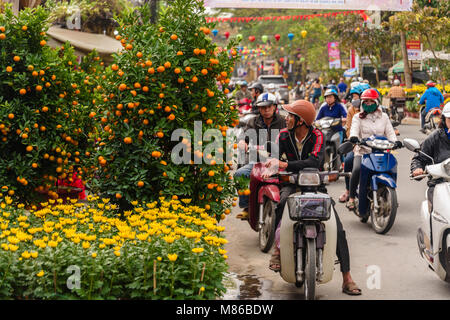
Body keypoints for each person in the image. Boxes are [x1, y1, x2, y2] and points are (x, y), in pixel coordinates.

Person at [263, 100, 362, 296]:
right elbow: (273, 157)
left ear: (301, 121)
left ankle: (347, 277)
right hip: (290, 184)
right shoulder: (283, 135)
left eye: (291, 116)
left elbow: (314, 161)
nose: (287, 118)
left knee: (337, 227)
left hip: (315, 184)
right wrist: (272, 166)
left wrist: (284, 165)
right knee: (281, 204)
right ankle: (277, 249)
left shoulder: (317, 135)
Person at [234, 92, 286, 220]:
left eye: (269, 107)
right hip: (258, 161)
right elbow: (243, 136)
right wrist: (242, 142)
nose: (266, 110)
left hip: (279, 162)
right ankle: (247, 207)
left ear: (274, 107)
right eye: (263, 107)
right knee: (239, 174)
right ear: (258, 108)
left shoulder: (284, 122)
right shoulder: (253, 121)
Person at [346, 88, 400, 211]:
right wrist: (354, 137)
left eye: (371, 101)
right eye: (366, 101)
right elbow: (354, 130)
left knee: (392, 166)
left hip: (381, 151)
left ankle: (390, 195)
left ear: (377, 102)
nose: (368, 103)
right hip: (363, 151)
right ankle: (352, 198)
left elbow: (390, 133)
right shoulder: (357, 117)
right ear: (362, 103)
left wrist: (395, 141)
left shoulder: (384, 116)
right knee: (357, 169)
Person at [411, 102, 450, 212]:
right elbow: (420, 157)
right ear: (444, 120)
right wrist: (417, 169)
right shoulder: (435, 137)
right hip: (440, 184)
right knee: (437, 212)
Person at [339, 87, 362, 203]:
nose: (354, 98)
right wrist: (353, 140)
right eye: (353, 96)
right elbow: (349, 129)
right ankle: (348, 191)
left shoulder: (379, 112)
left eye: (356, 95)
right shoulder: (352, 111)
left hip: (375, 146)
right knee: (348, 162)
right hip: (357, 145)